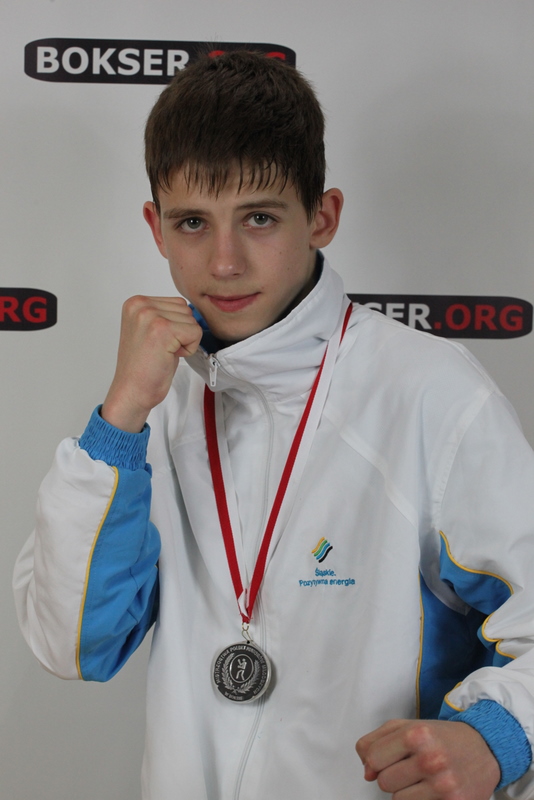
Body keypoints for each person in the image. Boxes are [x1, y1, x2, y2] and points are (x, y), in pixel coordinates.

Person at [13, 50, 534, 800]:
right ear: (156, 227)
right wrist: (120, 417)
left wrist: (499, 738)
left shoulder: (428, 390)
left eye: (259, 218)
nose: (224, 262)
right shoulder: (150, 407)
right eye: (193, 223)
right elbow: (72, 645)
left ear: (323, 216)